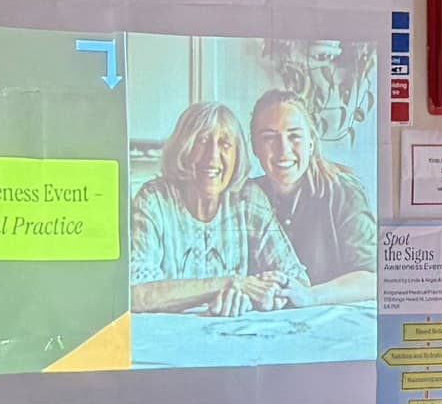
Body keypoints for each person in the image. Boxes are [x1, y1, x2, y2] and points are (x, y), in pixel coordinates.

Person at [123, 101, 302, 316]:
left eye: (225, 144)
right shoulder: (154, 199)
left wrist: (261, 296)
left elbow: (297, 281)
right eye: (202, 141)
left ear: (237, 156)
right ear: (183, 148)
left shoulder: (248, 200)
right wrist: (228, 283)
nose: (212, 156)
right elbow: (136, 295)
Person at [248, 86, 377, 302]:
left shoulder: (343, 191)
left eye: (294, 136)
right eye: (270, 138)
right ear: (254, 147)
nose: (283, 150)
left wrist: (311, 296)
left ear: (310, 143)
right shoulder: (247, 197)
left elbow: (374, 279)